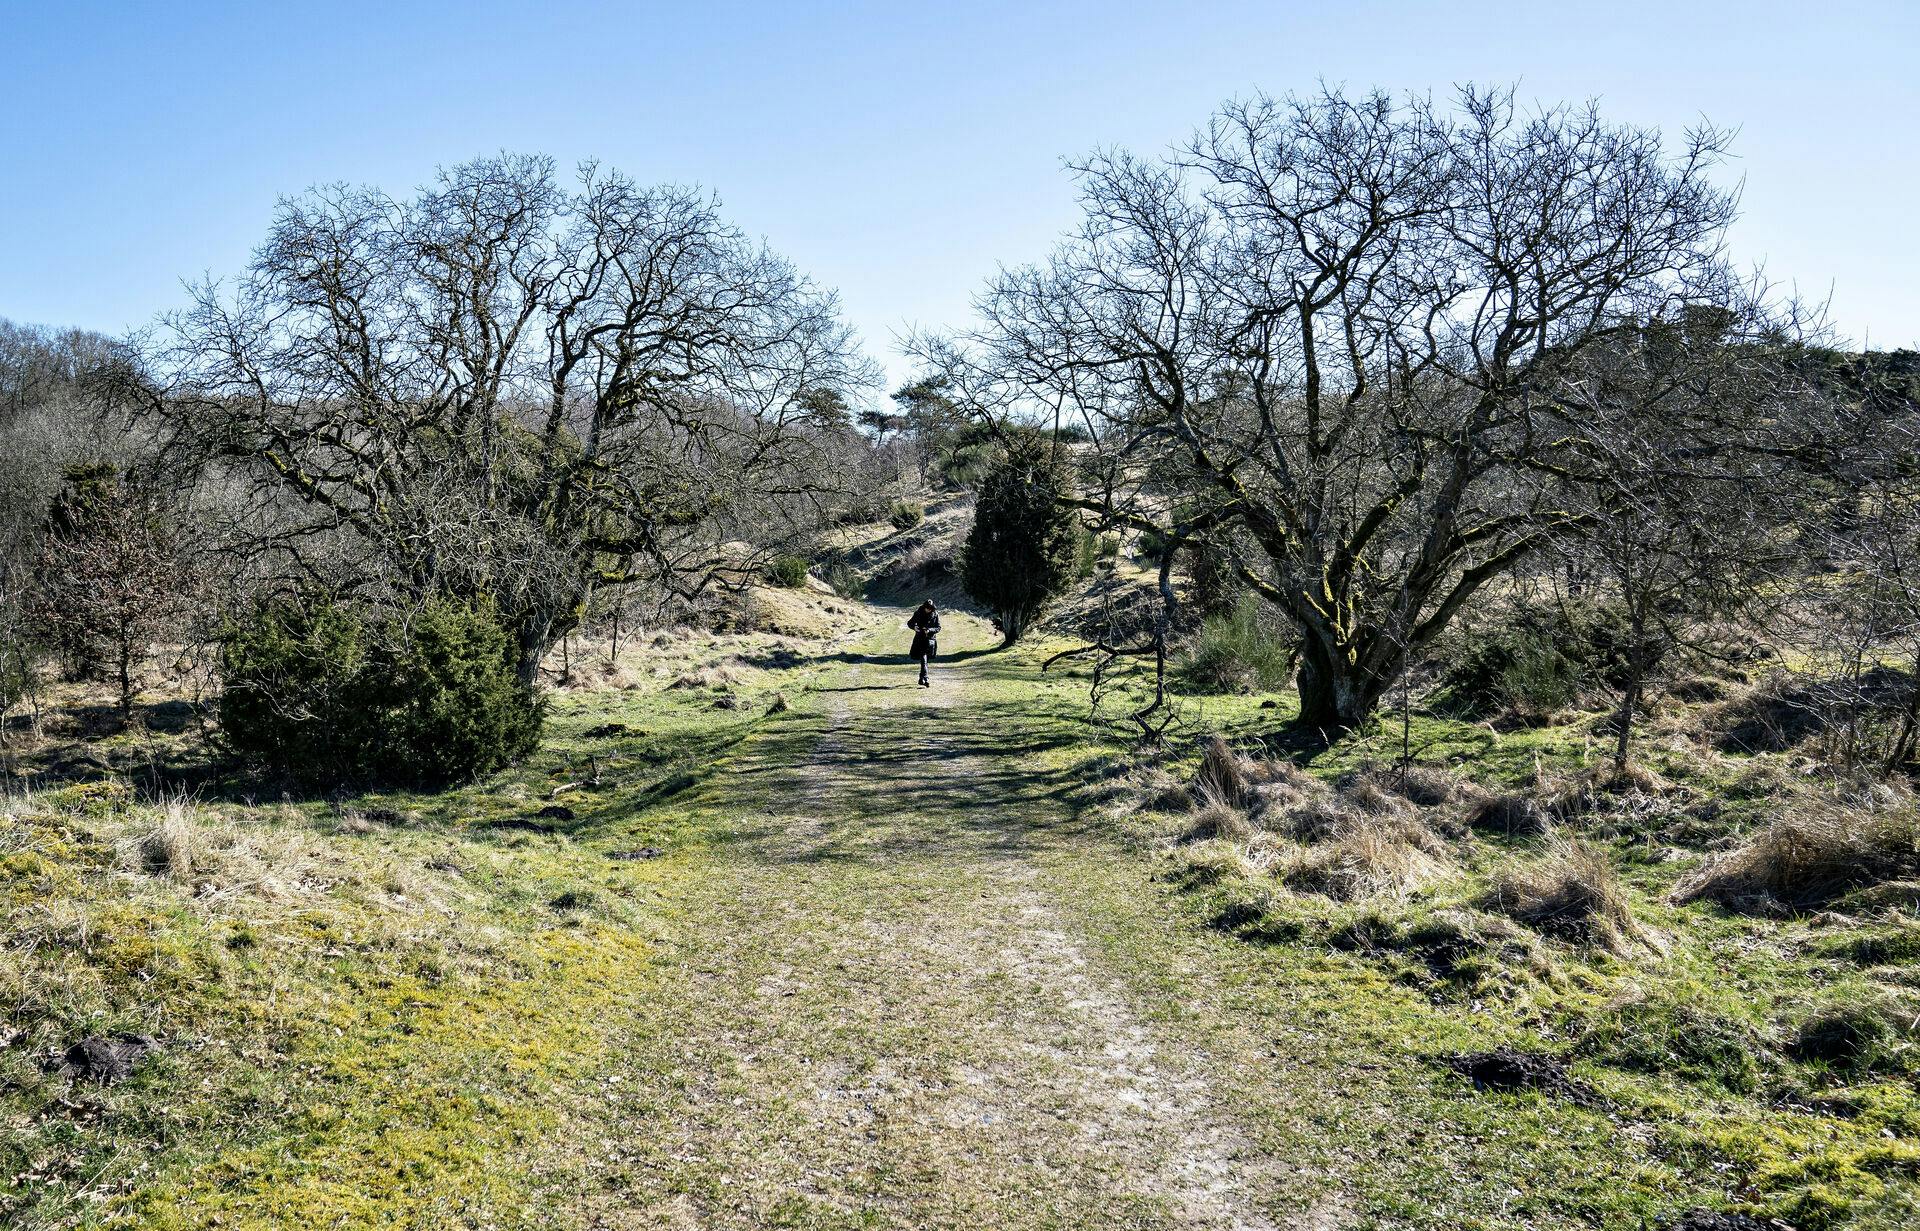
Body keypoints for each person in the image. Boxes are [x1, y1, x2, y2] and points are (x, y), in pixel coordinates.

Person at [906, 600, 940, 687]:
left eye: (930, 609)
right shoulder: (918, 613)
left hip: (930, 640)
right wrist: (915, 627)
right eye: (927, 608)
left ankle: (922, 678)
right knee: (923, 658)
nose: (928, 610)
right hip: (920, 639)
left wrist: (929, 630)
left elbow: (938, 627)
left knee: (925, 660)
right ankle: (926, 678)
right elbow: (910, 623)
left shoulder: (935, 614)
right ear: (924, 607)